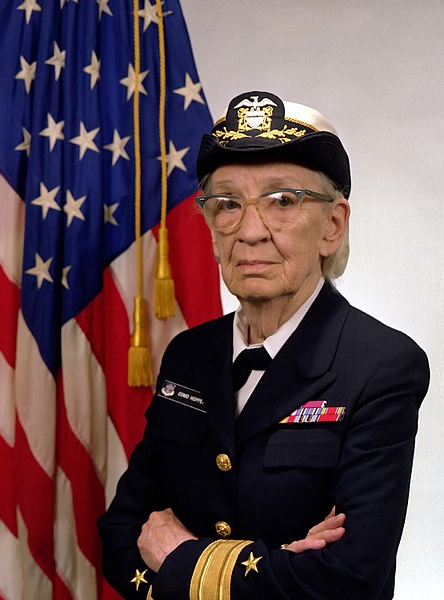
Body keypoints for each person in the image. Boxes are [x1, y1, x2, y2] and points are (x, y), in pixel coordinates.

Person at [98, 91, 430, 600]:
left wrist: (180, 560)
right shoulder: (189, 356)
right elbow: (120, 538)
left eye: (283, 201)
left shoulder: (382, 366)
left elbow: (347, 578)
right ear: (210, 226)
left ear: (333, 226)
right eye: (227, 204)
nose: (250, 232)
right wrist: (273, 569)